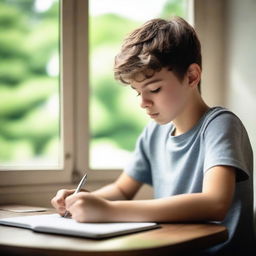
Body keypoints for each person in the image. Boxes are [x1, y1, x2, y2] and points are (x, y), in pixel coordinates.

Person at [51, 17, 255, 255]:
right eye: (137, 92)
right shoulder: (154, 132)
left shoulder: (220, 125)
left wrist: (108, 210)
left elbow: (215, 203)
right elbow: (122, 190)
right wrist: (82, 201)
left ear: (191, 76)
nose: (143, 103)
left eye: (154, 89)